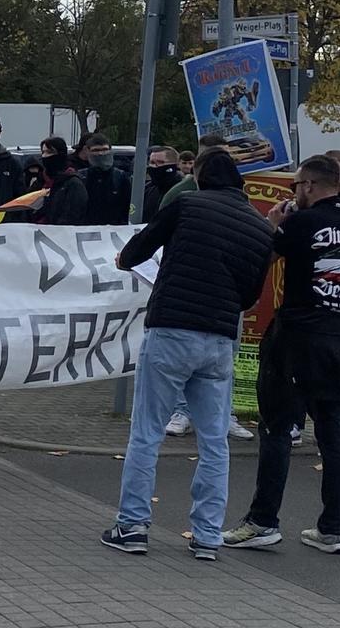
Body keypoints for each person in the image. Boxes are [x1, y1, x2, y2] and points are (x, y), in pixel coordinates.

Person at [101, 148, 275, 560]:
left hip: (172, 329)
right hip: (218, 340)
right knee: (215, 440)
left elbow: (141, 247)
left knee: (147, 431)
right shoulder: (260, 228)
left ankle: (132, 525)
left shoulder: (187, 204)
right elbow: (250, 296)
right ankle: (208, 536)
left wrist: (125, 259)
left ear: (199, 177)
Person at [220, 156, 340, 555]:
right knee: (332, 432)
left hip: (297, 337)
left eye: (295, 186)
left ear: (308, 185)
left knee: (276, 429)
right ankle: (331, 528)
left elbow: (264, 259)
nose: (294, 193)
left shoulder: (301, 223)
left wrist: (273, 223)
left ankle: (263, 521)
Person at [33, 136, 88, 226]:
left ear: (61, 154)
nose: (44, 156)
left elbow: (73, 215)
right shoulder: (40, 181)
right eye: (43, 152)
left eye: (49, 152)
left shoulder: (73, 183)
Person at [78, 133, 131, 225]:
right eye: (96, 150)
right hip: (85, 230)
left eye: (104, 149)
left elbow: (128, 207)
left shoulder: (120, 177)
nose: (100, 153)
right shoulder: (80, 177)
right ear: (88, 152)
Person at [141, 145, 181, 223]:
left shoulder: (183, 190)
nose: (155, 167)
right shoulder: (147, 190)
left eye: (160, 162)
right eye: (152, 162)